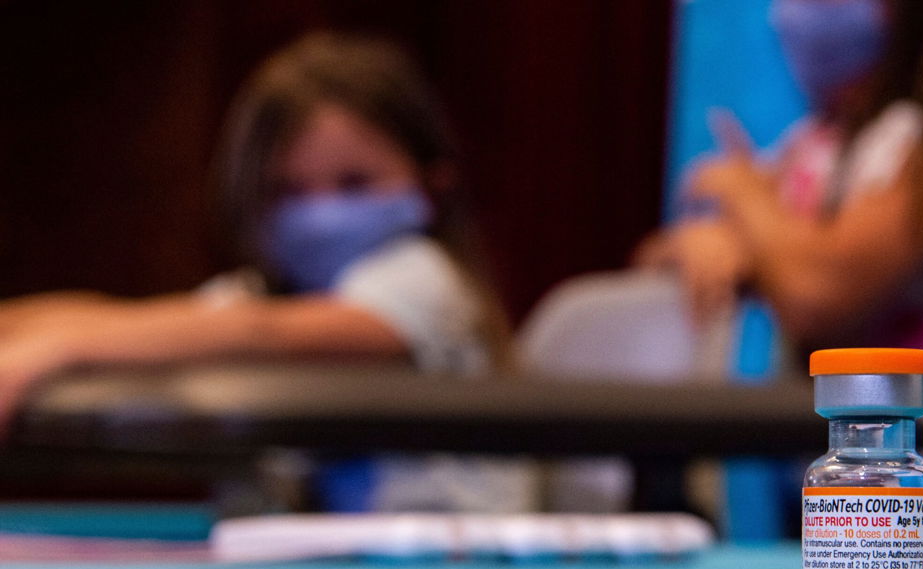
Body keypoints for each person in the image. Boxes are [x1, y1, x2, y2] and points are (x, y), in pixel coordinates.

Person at [0, 33, 532, 513]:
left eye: (354, 183)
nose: (320, 213)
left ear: (431, 185)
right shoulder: (271, 292)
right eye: (288, 190)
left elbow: (262, 332)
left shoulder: (423, 279)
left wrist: (55, 351)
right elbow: (136, 320)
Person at [646, 0, 923, 544]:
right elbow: (667, 255)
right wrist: (710, 242)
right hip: (852, 519)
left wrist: (744, 195)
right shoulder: (816, 144)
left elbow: (817, 292)